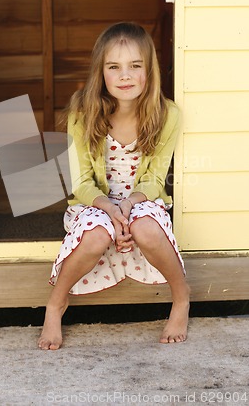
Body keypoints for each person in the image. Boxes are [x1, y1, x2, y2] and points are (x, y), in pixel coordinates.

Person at [38, 22, 190, 350]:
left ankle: (181, 299)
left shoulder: (167, 115)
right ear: (101, 72)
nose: (125, 76)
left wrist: (130, 204)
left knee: (146, 228)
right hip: (95, 203)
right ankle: (55, 304)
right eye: (114, 67)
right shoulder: (83, 114)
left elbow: (154, 178)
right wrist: (108, 207)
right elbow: (80, 182)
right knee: (96, 234)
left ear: (149, 71)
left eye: (135, 66)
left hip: (142, 200)